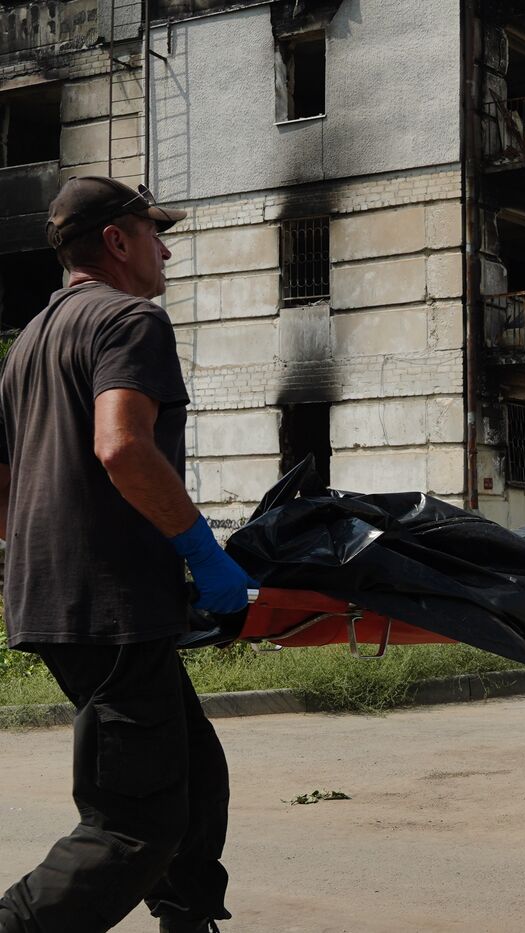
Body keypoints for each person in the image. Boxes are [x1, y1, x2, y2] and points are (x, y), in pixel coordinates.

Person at [0, 177, 256, 933]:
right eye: (154, 232)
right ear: (116, 241)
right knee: (130, 824)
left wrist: (46, 559)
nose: (165, 247)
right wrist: (203, 553)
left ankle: (188, 921)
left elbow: (4, 487)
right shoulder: (130, 319)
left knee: (196, 775)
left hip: (55, 598)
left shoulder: (28, 344)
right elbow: (121, 446)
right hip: (110, 605)